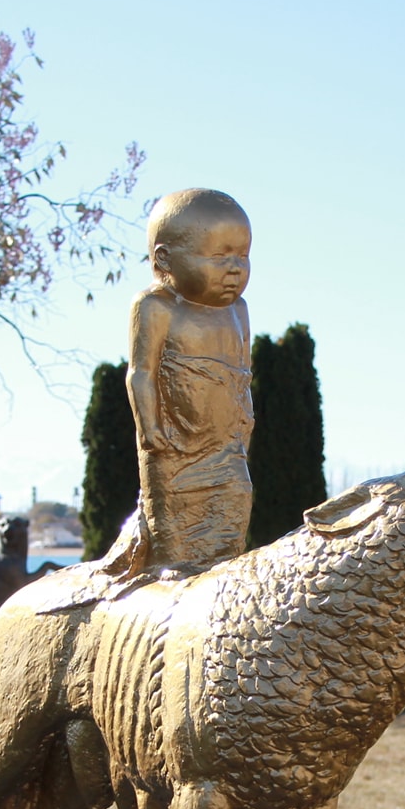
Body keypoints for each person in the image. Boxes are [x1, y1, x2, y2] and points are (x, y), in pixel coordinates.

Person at [125, 188, 255, 572]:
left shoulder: (238, 310)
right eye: (218, 257)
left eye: (242, 256)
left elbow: (242, 373)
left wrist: (246, 418)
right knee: (174, 547)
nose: (234, 269)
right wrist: (149, 427)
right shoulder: (155, 307)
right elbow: (141, 372)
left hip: (226, 447)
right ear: (165, 258)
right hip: (174, 447)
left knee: (231, 523)